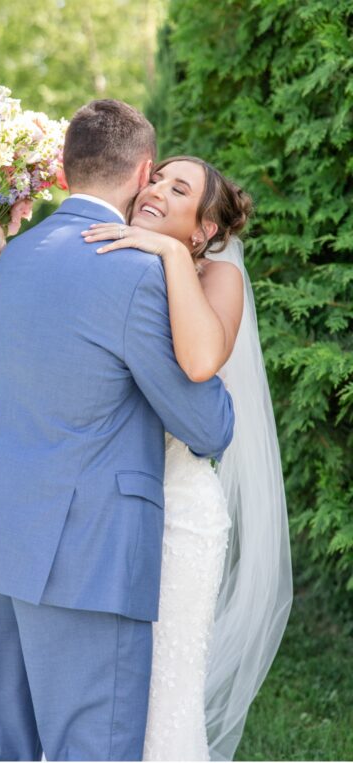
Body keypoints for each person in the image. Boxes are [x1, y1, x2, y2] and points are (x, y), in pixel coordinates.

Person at [0, 99, 236, 761]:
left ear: (66, 167)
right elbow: (208, 425)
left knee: (9, 745)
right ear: (144, 170)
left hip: (1, 527)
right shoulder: (135, 272)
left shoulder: (13, 255)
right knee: (93, 749)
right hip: (86, 551)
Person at [83, 156, 291, 761]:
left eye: (179, 189)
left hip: (180, 511)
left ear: (204, 230)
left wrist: (172, 256)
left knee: (166, 684)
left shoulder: (219, 277)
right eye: (156, 179)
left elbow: (200, 362)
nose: (156, 190)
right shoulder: (118, 256)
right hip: (109, 502)